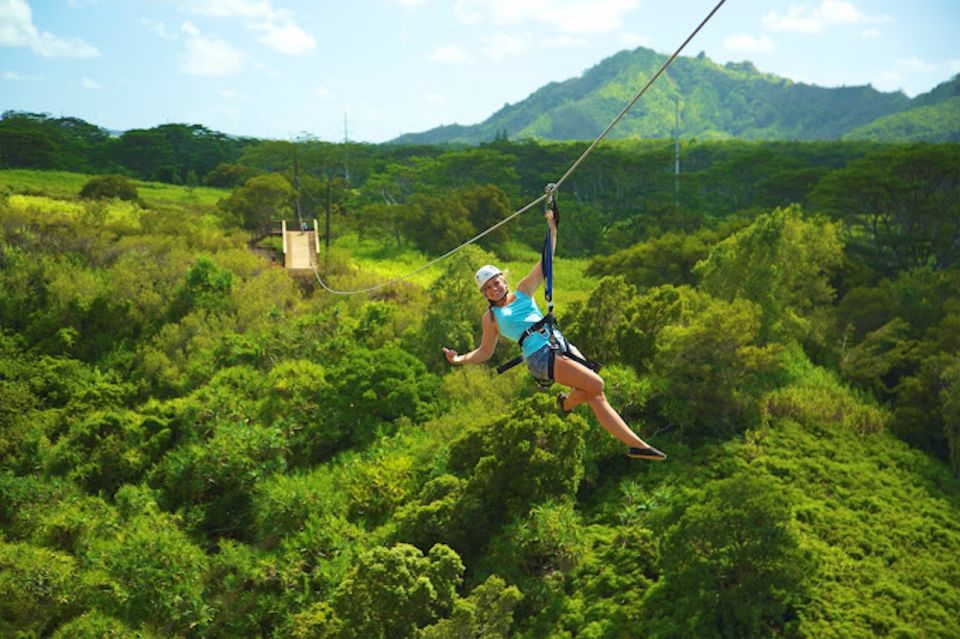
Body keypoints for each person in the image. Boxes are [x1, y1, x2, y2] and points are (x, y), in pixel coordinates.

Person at [442, 209, 666, 461]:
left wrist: (552, 226)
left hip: (557, 342)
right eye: (488, 288)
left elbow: (545, 261)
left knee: (595, 393)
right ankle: (568, 405)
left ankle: (636, 446)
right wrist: (458, 359)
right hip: (539, 356)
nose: (494, 288)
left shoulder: (523, 291)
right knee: (596, 384)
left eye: (496, 282)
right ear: (484, 294)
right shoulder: (491, 318)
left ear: (503, 280)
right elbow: (484, 352)